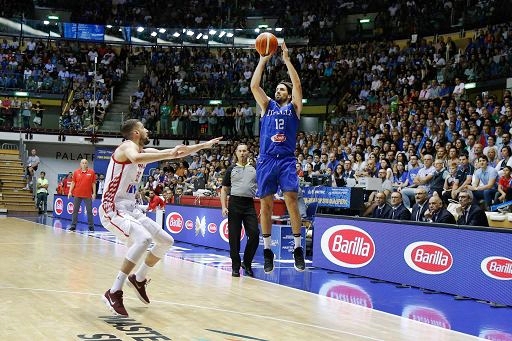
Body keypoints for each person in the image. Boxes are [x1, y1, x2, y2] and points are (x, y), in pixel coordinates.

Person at [99, 119, 221, 317]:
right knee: (144, 239)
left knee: (166, 241)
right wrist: (170, 153)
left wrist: (203, 146)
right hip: (111, 207)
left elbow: (177, 151)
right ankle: (114, 291)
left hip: (130, 208)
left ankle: (138, 279)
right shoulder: (128, 146)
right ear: (136, 132)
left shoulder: (143, 151)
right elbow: (136, 158)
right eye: (143, 128)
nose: (147, 130)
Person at [250, 42, 305, 273]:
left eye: (282, 89)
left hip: (285, 160)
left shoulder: (294, 107)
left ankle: (297, 248)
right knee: (266, 205)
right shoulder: (267, 106)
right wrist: (263, 58)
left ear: (289, 94)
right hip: (266, 159)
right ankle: (267, 249)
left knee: (291, 199)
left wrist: (286, 60)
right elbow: (254, 85)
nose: (277, 91)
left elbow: (298, 84)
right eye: (277, 89)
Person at [221, 144, 259, 278]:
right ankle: (235, 267)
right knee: (234, 237)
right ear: (236, 153)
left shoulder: (254, 169)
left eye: (244, 150)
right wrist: (224, 206)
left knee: (255, 234)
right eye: (240, 151)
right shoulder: (231, 169)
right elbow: (224, 189)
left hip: (249, 204)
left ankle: (247, 263)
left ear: (248, 152)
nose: (242, 153)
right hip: (234, 204)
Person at [68, 159, 96, 232]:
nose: (84, 164)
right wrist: (70, 191)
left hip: (87, 195)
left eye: (85, 163)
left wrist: (94, 193)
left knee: (89, 211)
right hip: (77, 194)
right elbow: (73, 182)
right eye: (83, 163)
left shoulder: (91, 172)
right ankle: (73, 226)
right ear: (80, 164)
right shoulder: (76, 172)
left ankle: (91, 226)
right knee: (75, 211)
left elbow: (93, 183)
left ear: (87, 164)